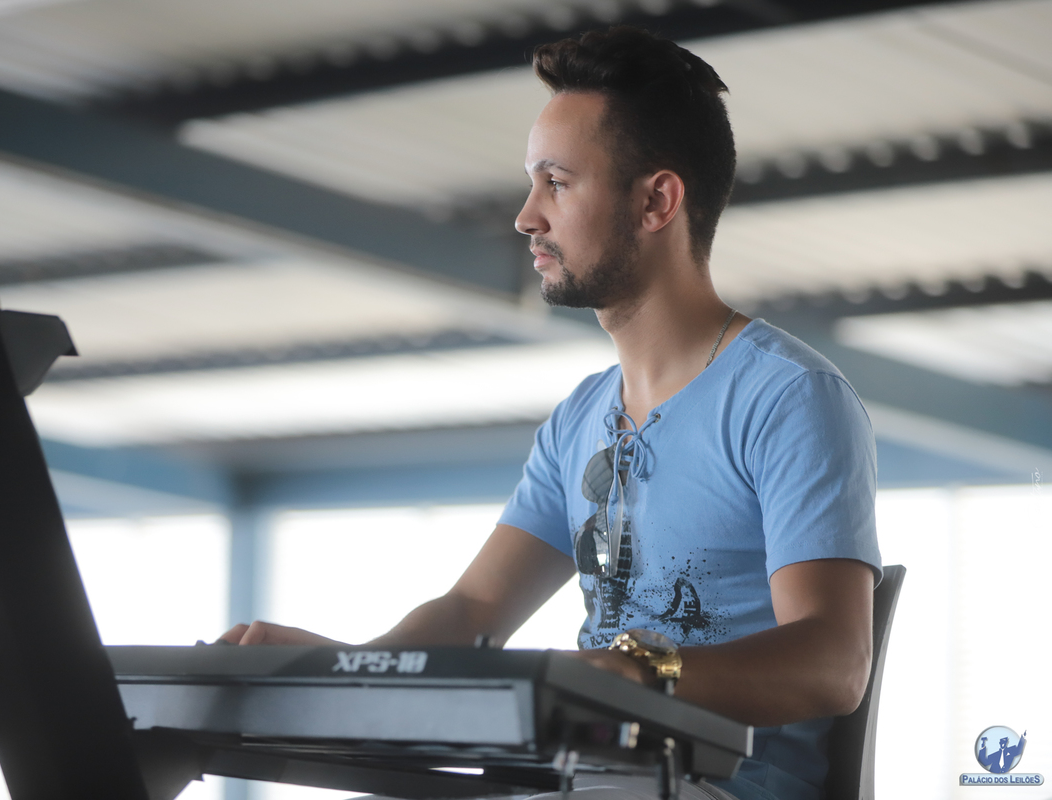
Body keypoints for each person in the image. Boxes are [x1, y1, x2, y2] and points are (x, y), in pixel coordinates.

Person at [222, 26, 881, 800]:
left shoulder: (787, 397)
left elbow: (835, 665)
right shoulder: (579, 419)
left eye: (557, 183)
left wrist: (637, 672)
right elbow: (473, 610)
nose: (527, 216)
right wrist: (344, 668)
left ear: (656, 201)